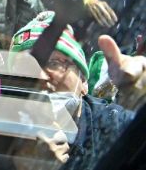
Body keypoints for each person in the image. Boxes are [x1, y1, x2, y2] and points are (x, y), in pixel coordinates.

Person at [9, 13, 146, 170]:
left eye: (55, 63)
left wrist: (142, 99)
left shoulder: (113, 126)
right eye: (27, 68)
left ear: (84, 82)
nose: (40, 75)